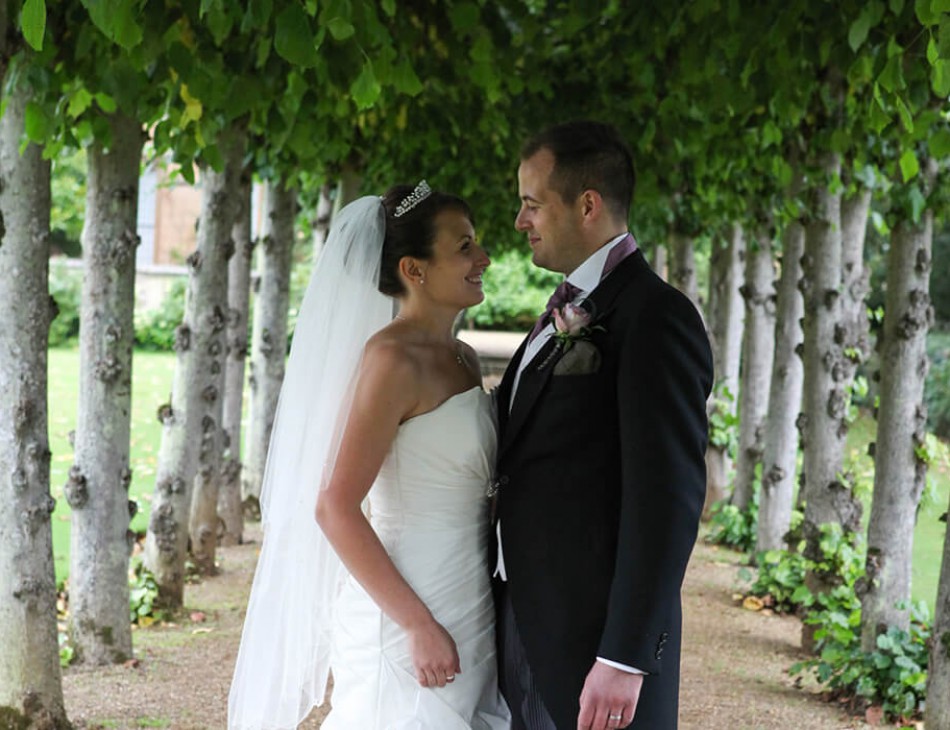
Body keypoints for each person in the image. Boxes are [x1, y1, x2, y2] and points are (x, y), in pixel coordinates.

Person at [228, 183, 510, 729]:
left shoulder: (464, 359)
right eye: (465, 246)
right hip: (408, 605)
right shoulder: (390, 360)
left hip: (469, 595)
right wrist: (416, 625)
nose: (484, 258)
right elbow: (334, 506)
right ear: (414, 268)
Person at [492, 121, 713, 730]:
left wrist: (624, 656)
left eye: (531, 203)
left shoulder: (654, 317)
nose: (520, 220)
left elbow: (666, 500)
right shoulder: (565, 307)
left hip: (593, 642)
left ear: (587, 204)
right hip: (521, 616)